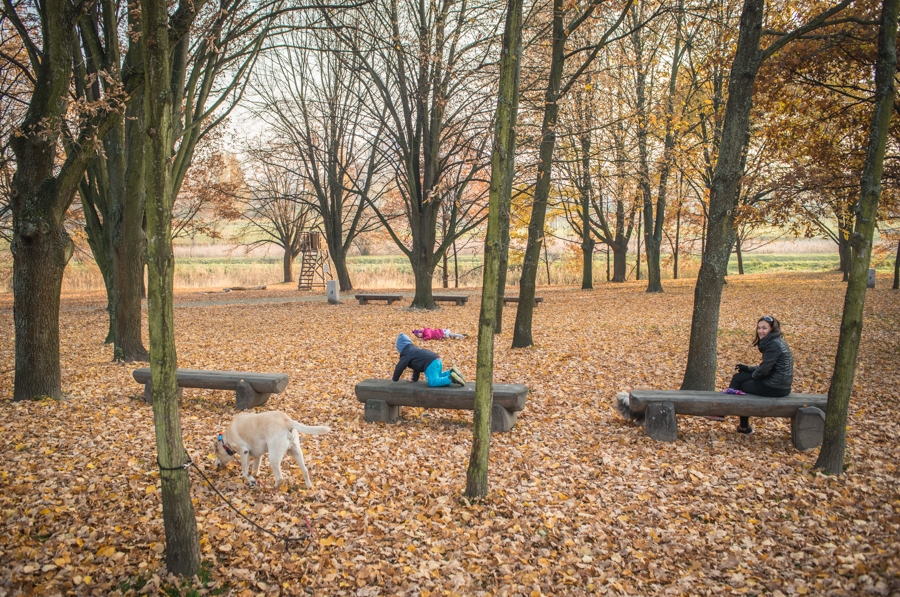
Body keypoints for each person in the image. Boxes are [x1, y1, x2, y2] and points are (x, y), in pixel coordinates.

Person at [722, 316, 794, 435]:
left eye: (764, 328)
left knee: (740, 383)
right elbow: (767, 367)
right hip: (779, 384)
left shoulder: (774, 345)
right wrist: (748, 369)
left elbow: (763, 371)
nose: (760, 331)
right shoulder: (776, 341)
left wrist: (750, 375)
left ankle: (723, 412)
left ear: (772, 329)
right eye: (759, 328)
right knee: (739, 378)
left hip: (775, 387)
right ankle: (743, 427)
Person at [392, 333, 465, 387]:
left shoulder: (406, 353)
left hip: (430, 363)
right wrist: (414, 379)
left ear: (399, 346)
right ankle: (451, 372)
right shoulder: (412, 350)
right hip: (436, 359)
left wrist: (394, 378)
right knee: (438, 376)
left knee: (432, 382)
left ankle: (451, 378)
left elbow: (400, 367)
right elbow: (416, 365)